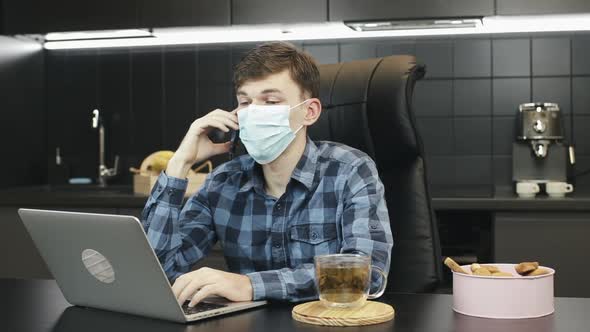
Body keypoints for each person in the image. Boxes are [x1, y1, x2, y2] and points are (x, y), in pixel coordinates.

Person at [141, 41, 393, 307]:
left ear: (310, 111)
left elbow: (368, 275)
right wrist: (180, 163)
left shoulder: (351, 170)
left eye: (270, 101)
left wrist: (250, 285)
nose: (254, 112)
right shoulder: (222, 183)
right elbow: (158, 272)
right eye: (245, 102)